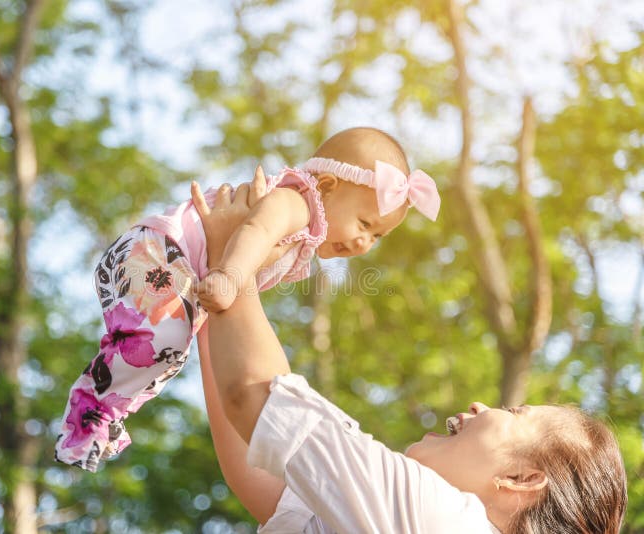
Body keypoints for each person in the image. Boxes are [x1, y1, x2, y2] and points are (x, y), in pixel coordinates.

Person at [192, 184, 628, 533]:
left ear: (522, 480)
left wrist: (231, 259)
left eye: (516, 413)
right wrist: (210, 307)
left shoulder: (443, 520)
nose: (481, 406)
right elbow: (268, 484)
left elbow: (256, 398)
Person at [55, 127, 441, 471]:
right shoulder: (298, 201)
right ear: (326, 186)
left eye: (376, 237)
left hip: (167, 268)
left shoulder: (306, 227)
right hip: (156, 253)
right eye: (364, 224)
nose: (362, 243)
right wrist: (229, 277)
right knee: (162, 344)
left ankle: (99, 415)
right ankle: (92, 410)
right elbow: (255, 229)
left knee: (167, 354)